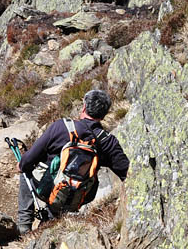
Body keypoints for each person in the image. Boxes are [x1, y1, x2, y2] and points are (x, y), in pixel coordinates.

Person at [15, 88, 130, 235]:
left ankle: (24, 225)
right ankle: (49, 222)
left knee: (25, 172)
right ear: (104, 114)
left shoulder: (61, 126)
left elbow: (29, 159)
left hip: (46, 187)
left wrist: (21, 165)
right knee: (66, 196)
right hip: (79, 196)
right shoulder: (108, 141)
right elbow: (126, 173)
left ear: (84, 107)